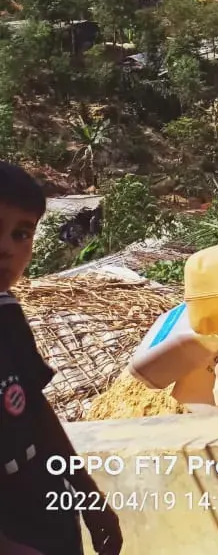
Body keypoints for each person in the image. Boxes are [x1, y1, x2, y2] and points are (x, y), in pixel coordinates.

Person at [0, 163, 122, 555]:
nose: (7, 248)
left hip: (45, 509)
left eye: (22, 234)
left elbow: (36, 411)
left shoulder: (7, 315)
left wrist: (86, 496)